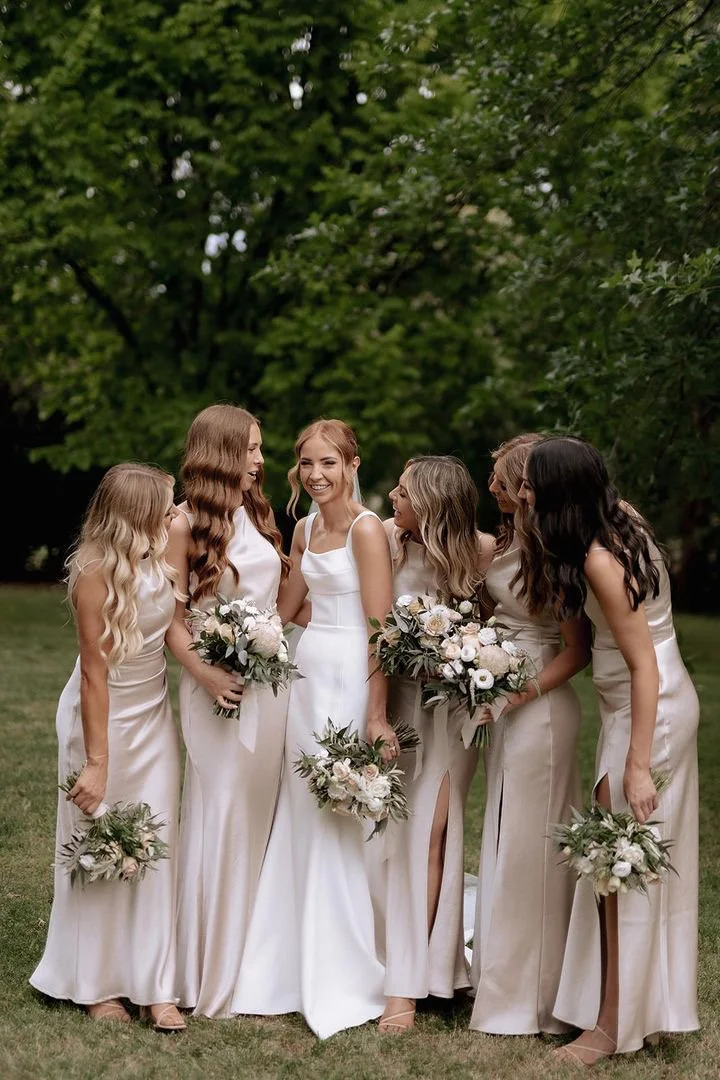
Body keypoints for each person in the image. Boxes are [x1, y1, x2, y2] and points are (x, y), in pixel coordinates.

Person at [520, 435, 699, 1064]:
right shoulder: (621, 520)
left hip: (651, 708)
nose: (523, 492)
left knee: (619, 865)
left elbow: (644, 666)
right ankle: (622, 1011)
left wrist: (637, 763)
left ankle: (612, 1026)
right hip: (641, 703)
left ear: (557, 493)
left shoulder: (600, 557)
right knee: (618, 864)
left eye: (531, 484)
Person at [233, 418, 396, 1039]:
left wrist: (377, 714)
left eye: (329, 462)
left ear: (353, 464)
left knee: (341, 810)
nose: (316, 475)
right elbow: (291, 606)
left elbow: (380, 627)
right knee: (302, 808)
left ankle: (348, 966)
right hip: (306, 673)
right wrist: (247, 640)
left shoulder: (366, 530)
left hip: (352, 673)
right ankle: (286, 962)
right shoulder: (302, 528)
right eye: (306, 464)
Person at [30, 463, 186, 1032]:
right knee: (100, 841)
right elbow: (95, 673)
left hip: (153, 713)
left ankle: (156, 985)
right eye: (167, 508)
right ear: (138, 515)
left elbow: (172, 630)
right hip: (101, 716)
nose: (176, 516)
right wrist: (98, 764)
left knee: (156, 837)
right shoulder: (94, 570)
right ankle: (97, 984)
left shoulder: (161, 556)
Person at [165, 403, 291, 1019]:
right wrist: (208, 674)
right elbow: (171, 618)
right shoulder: (183, 524)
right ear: (220, 454)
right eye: (250, 450)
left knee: (258, 820)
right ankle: (205, 973)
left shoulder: (259, 514)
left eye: (261, 449)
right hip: (213, 688)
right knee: (219, 815)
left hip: (270, 690)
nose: (261, 460)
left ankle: (254, 966)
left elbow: (285, 598)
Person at [468, 434, 590, 1037]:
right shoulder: (507, 543)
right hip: (504, 703)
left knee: (532, 851)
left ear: (524, 483)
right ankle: (502, 981)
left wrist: (519, 694)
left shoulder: (555, 554)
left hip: (540, 709)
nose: (490, 487)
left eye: (499, 478)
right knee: (506, 839)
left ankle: (536, 1000)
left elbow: (576, 652)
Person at [369, 455, 495, 1034]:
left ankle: (412, 981)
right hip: (394, 703)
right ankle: (381, 953)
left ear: (433, 502)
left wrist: (468, 659)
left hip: (449, 714)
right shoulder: (387, 544)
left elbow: (496, 629)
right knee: (391, 832)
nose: (393, 495)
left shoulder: (482, 552)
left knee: (431, 832)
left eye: (404, 489)